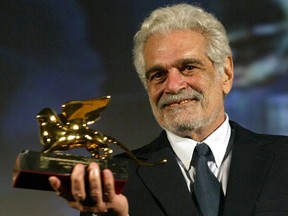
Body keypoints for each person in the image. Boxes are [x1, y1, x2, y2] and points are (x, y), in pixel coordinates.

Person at [49, 3, 288, 216]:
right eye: (158, 74)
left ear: (225, 73)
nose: (173, 86)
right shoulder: (115, 180)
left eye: (189, 67)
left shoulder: (283, 159)